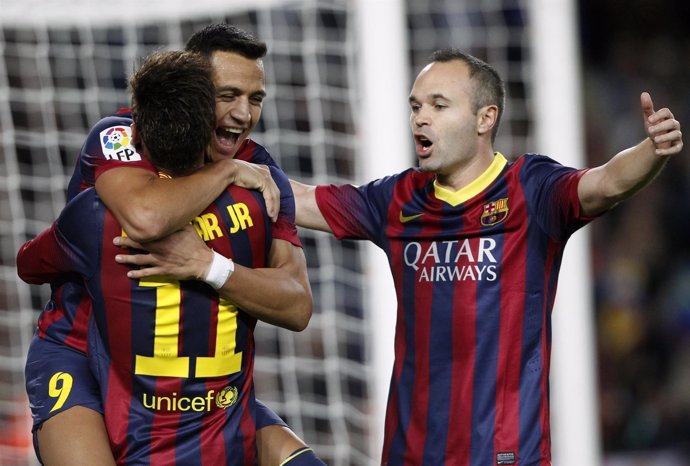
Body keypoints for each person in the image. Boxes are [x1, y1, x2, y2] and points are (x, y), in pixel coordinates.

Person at [115, 49, 684, 465]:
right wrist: (235, 169)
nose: (420, 118)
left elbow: (604, 184)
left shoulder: (530, 190)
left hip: (503, 453)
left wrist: (651, 152)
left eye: (439, 104)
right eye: (416, 106)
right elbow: (301, 201)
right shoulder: (400, 200)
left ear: (485, 119)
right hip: (409, 453)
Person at [19, 24, 322, 466]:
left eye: (255, 99)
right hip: (83, 352)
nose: (242, 114)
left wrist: (208, 265)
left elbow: (296, 307)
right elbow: (145, 218)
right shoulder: (124, 136)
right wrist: (225, 172)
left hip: (195, 384)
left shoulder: (260, 171)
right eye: (228, 94)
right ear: (192, 92)